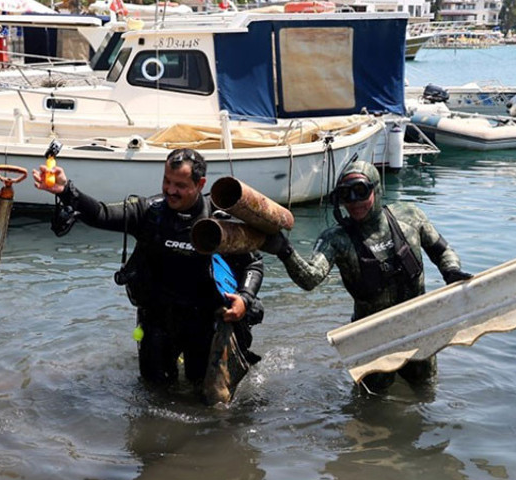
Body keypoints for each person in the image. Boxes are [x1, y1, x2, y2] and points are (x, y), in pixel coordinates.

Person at [33, 149, 264, 404]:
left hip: (204, 322)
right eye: (167, 181)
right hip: (157, 321)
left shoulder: (217, 221)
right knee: (153, 395)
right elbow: (100, 213)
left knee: (204, 399)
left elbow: (253, 264)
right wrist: (66, 190)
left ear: (200, 184)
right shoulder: (147, 212)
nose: (170, 190)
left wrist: (244, 298)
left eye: (180, 185)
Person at [260, 160, 472, 391]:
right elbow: (311, 278)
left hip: (417, 328)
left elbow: (442, 251)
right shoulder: (336, 239)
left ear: (377, 189)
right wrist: (285, 251)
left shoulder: (410, 216)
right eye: (346, 195)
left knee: (426, 392)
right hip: (371, 339)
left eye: (360, 191)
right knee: (372, 404)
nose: (354, 202)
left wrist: (450, 271)